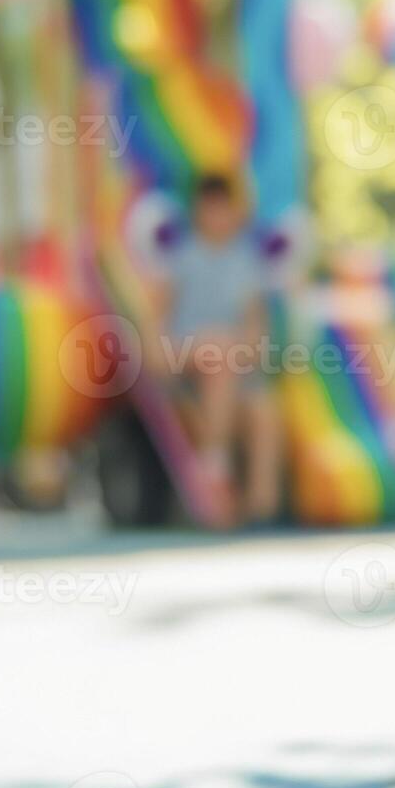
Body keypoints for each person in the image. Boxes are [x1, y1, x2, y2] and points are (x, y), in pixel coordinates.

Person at [155, 175, 281, 526]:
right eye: (210, 210)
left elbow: (256, 330)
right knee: (216, 349)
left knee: (263, 408)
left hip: (229, 360)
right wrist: (161, 355)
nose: (217, 217)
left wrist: (242, 350)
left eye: (223, 210)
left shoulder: (246, 261)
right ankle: (215, 466)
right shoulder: (181, 258)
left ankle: (258, 506)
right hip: (188, 354)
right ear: (198, 212)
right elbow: (158, 319)